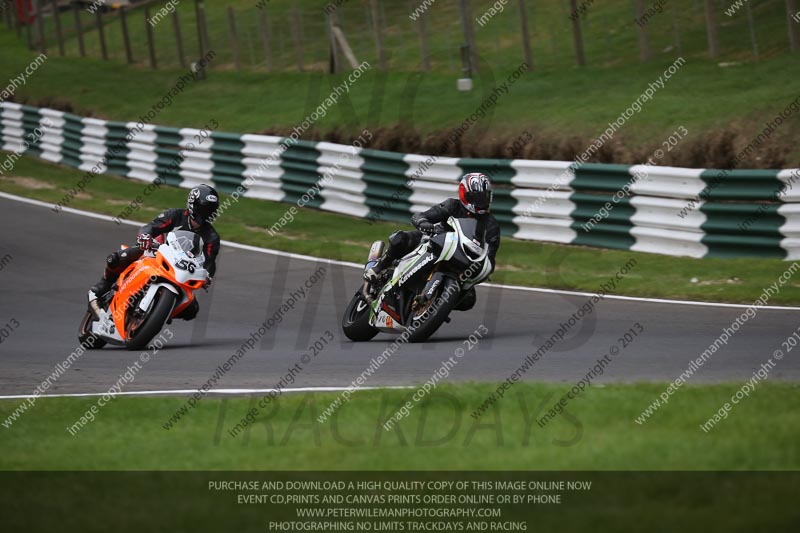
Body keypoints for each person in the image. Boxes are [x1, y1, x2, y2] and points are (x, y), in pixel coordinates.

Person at [365, 172, 500, 310]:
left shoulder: (492, 225)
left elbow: (490, 256)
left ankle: (437, 305)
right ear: (464, 193)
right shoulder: (452, 206)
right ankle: (379, 267)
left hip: (462, 261)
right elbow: (422, 216)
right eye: (476, 197)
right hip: (434, 242)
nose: (480, 202)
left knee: (469, 300)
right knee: (400, 238)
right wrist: (423, 223)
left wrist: (485, 268)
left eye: (484, 197)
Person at [88, 184, 221, 321]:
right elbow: (150, 227)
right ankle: (102, 286)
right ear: (194, 205)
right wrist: (145, 237)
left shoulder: (212, 237)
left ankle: (159, 313)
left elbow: (209, 262)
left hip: (181, 271)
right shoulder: (175, 215)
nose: (207, 213)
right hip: (156, 253)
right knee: (116, 258)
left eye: (211, 210)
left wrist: (207, 276)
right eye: (205, 209)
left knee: (192, 310)